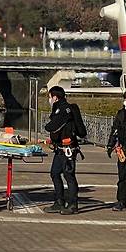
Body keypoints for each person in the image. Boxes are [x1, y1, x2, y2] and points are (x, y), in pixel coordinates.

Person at [43, 85, 87, 215]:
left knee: (69, 176)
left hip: (68, 149)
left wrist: (49, 126)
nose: (49, 99)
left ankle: (73, 204)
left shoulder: (65, 110)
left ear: (55, 97)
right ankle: (59, 201)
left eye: (50, 97)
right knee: (55, 173)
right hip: (59, 149)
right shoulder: (58, 109)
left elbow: (51, 126)